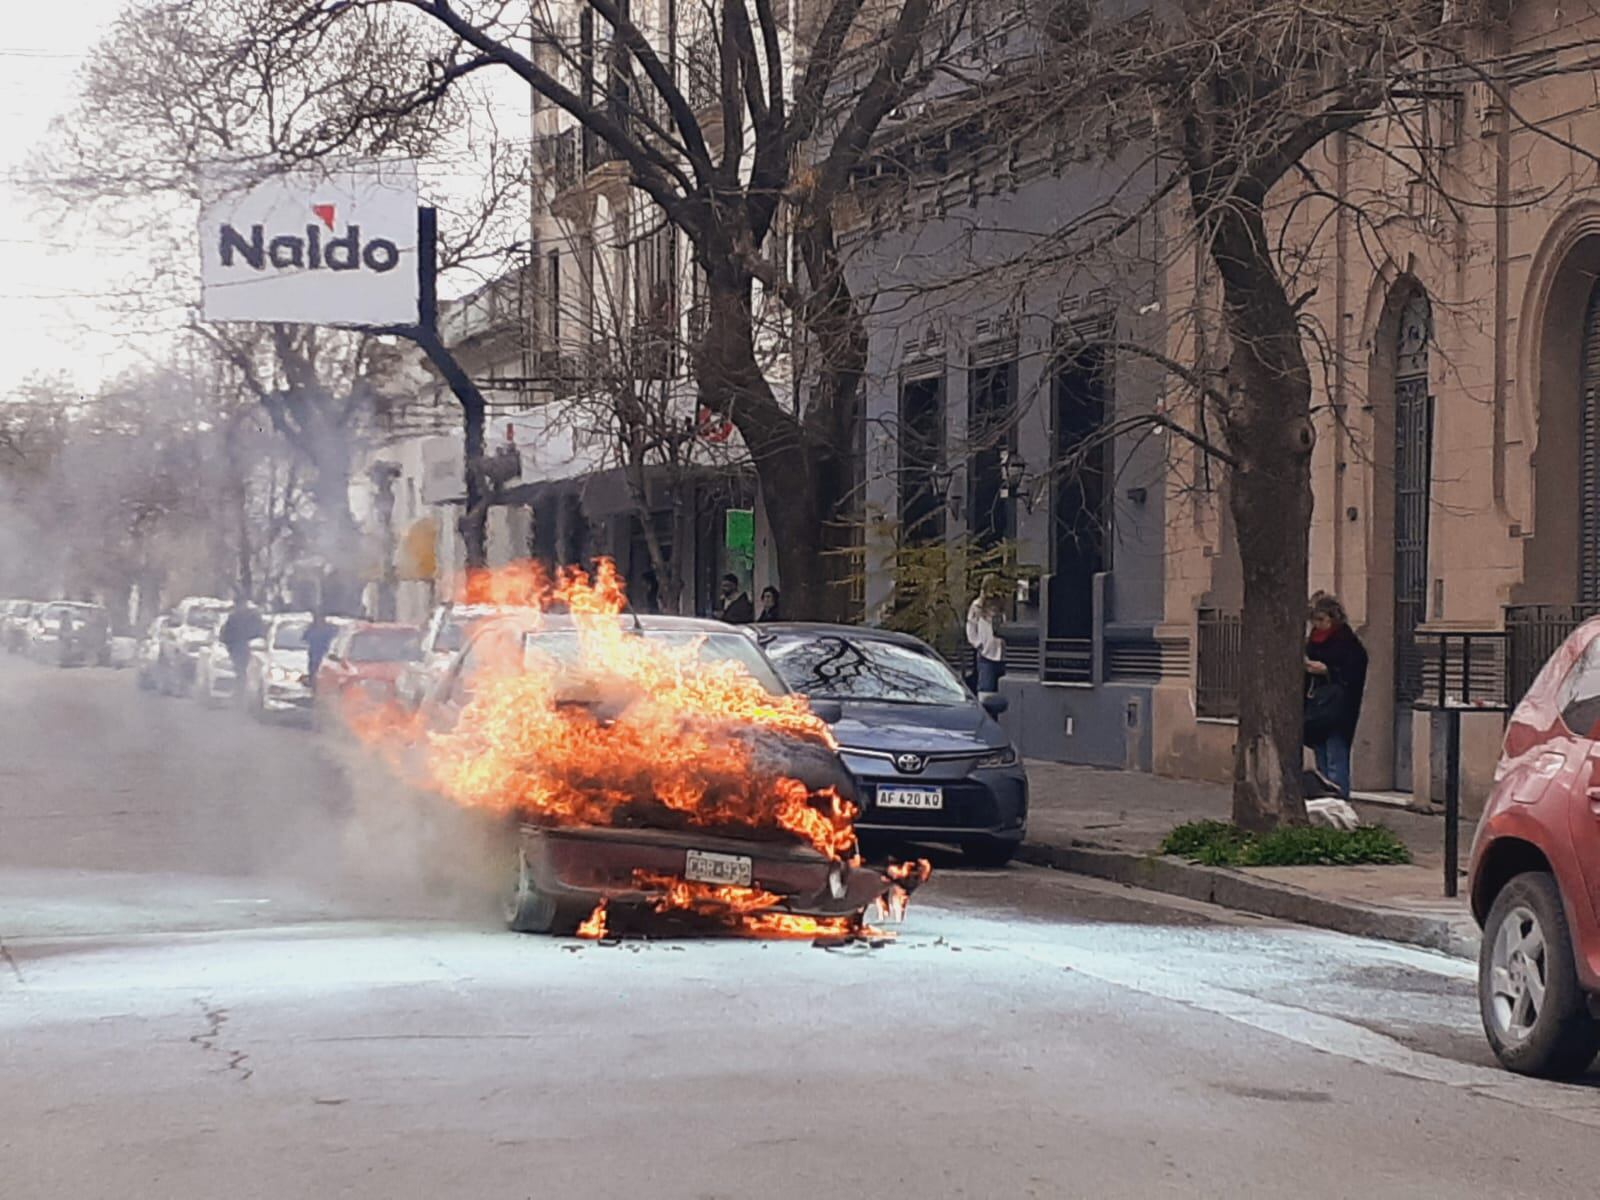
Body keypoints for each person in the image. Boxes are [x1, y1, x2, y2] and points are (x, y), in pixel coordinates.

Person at [1304, 593, 1368, 801]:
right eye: (1315, 620)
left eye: (1322, 619)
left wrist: (1328, 670)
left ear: (1333, 618)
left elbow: (1354, 671)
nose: (1318, 624)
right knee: (1321, 759)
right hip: (1316, 709)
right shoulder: (1312, 642)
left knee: (1336, 758)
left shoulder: (1346, 641)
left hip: (1339, 710)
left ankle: (1339, 802)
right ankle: (1324, 801)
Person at [965, 576, 1006, 695]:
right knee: (985, 687)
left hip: (1002, 653)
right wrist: (977, 643)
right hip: (986, 653)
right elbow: (971, 626)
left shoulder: (1002, 605)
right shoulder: (977, 606)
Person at [219, 595, 265, 687]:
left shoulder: (237, 616)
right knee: (241, 670)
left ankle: (241, 687)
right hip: (240, 647)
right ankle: (241, 687)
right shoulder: (251, 616)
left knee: (242, 671)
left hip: (245, 648)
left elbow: (225, 634)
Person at [305, 610, 337, 687]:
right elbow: (305, 638)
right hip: (313, 654)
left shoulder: (328, 629)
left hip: (323, 653)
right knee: (313, 670)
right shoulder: (312, 628)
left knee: (321, 670)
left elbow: (333, 639)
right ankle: (313, 684)